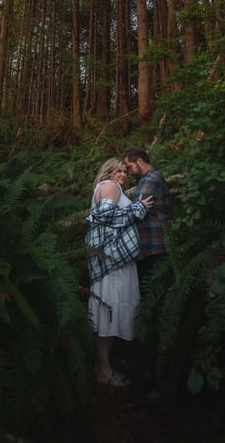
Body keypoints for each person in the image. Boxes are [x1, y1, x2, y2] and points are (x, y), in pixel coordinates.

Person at [86, 157, 153, 387]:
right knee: (109, 312)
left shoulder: (105, 187)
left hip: (112, 261)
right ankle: (105, 371)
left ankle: (102, 365)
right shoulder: (110, 186)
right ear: (108, 171)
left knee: (109, 313)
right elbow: (105, 216)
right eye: (118, 170)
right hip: (113, 264)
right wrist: (139, 209)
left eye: (125, 171)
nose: (122, 174)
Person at [122, 147, 173, 284]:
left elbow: (136, 210)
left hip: (154, 246)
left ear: (140, 161)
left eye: (129, 166)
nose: (128, 172)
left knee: (152, 292)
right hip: (151, 246)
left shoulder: (151, 179)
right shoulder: (147, 179)